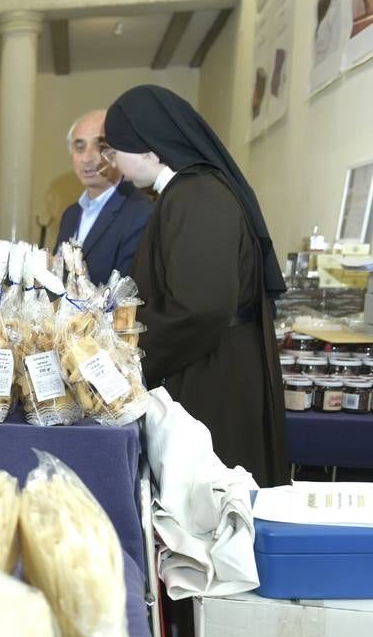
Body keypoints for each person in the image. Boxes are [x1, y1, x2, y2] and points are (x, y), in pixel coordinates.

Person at [104, 84, 287, 487]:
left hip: (214, 375)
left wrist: (129, 360)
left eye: (115, 149)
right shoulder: (185, 193)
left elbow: (200, 308)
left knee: (213, 500)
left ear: (150, 149)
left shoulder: (196, 195)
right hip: (209, 361)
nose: (112, 161)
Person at [54, 109, 153, 285]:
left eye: (100, 146)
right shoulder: (71, 214)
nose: (87, 158)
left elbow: (127, 294)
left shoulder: (141, 213)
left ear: (117, 152)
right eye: (80, 147)